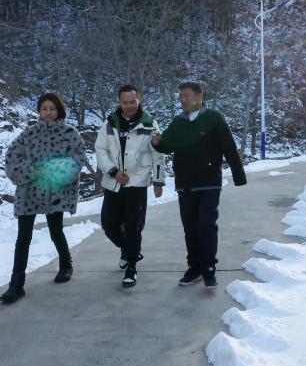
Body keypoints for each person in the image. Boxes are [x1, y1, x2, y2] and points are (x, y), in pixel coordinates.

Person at [152, 81, 246, 289]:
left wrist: (239, 175)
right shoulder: (178, 122)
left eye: (186, 95)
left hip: (209, 182)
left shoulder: (213, 118)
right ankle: (194, 268)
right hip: (184, 183)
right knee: (190, 228)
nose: (183, 100)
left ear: (199, 96)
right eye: (181, 97)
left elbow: (229, 146)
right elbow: (167, 145)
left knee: (206, 224)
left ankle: (209, 269)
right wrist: (158, 143)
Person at [0, 92, 88, 305]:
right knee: (23, 238)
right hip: (29, 192)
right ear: (39, 111)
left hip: (55, 190)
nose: (48, 113)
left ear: (59, 110)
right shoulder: (29, 134)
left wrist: (54, 170)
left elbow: (79, 158)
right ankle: (16, 284)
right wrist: (31, 170)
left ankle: (66, 264)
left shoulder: (69, 133)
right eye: (44, 109)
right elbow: (11, 158)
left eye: (52, 109)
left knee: (56, 231)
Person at [95, 84, 166, 288]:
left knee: (134, 226)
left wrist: (158, 181)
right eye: (125, 102)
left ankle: (131, 267)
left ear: (139, 99)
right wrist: (113, 172)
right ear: (119, 102)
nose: (128, 106)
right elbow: (100, 150)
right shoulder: (109, 123)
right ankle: (128, 251)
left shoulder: (149, 123)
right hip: (114, 183)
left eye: (132, 102)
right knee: (109, 224)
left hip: (137, 183)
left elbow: (158, 155)